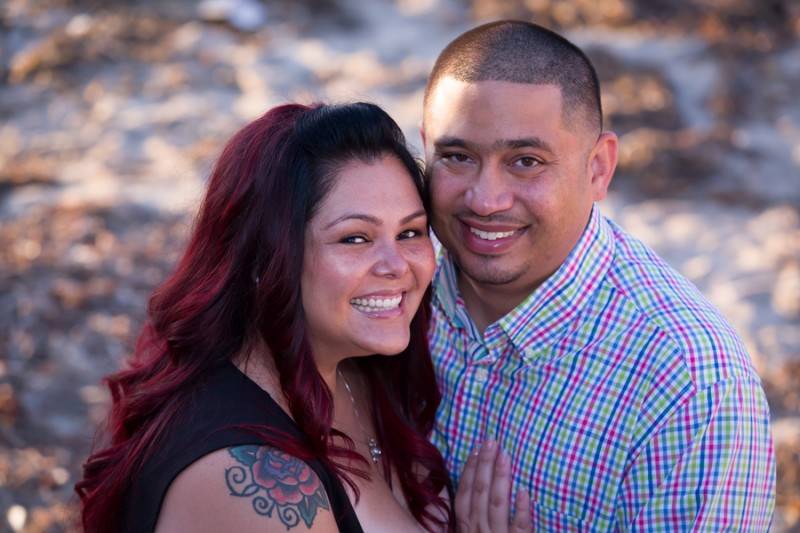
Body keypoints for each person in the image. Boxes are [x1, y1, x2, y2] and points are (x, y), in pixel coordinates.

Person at [422, 20, 776, 531]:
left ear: (598, 168)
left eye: (525, 161)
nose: (485, 200)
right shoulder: (389, 294)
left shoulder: (689, 385)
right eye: (458, 157)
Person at [76, 102, 456, 532]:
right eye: (355, 238)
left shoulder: (354, 370)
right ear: (263, 259)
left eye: (409, 233)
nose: (397, 265)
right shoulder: (255, 486)